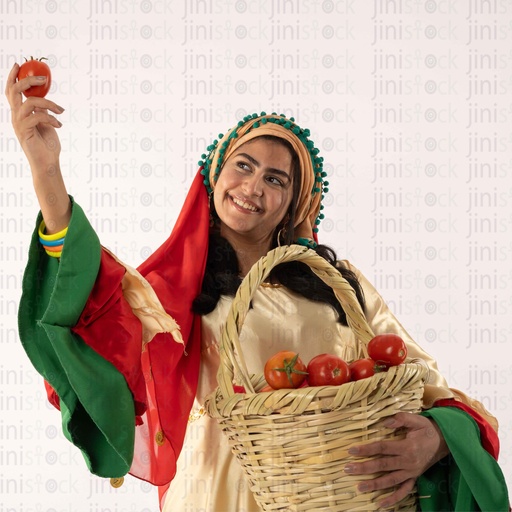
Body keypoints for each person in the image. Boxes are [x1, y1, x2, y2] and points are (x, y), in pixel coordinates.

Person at [6, 63, 509, 512]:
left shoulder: (341, 285)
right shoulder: (166, 291)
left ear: (294, 204)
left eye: (276, 179)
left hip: (334, 493)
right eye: (243, 166)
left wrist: (439, 439)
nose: (253, 187)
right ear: (215, 174)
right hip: (210, 494)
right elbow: (87, 310)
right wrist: (46, 171)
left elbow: (421, 379)